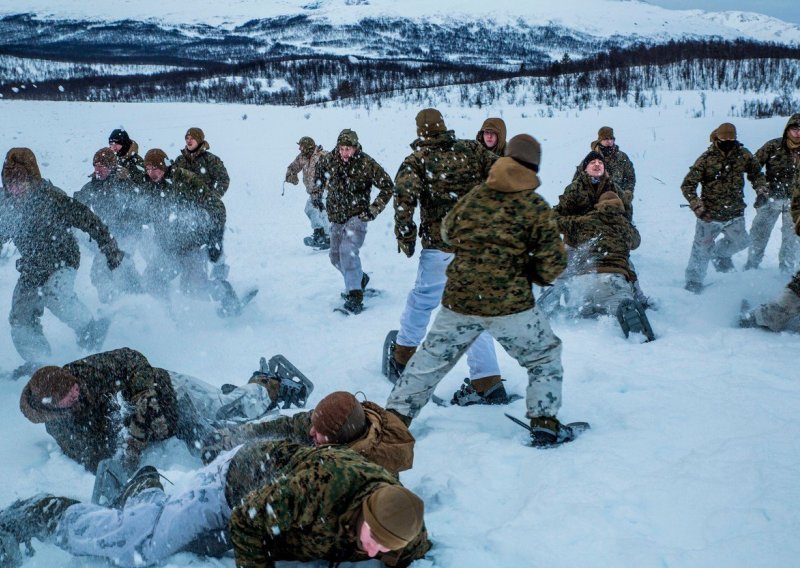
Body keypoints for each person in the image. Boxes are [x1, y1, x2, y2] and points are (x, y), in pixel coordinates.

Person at [387, 134, 579, 447]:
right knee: (544, 356)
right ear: (534, 166)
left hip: (461, 301)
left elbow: (448, 230)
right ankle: (544, 422)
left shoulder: (477, 196)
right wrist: (529, 269)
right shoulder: (535, 207)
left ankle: (391, 424)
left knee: (429, 363)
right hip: (511, 305)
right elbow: (553, 264)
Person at [0, 441, 431, 568]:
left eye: (385, 548)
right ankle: (40, 511)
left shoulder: (401, 521)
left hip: (270, 499)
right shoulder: (316, 489)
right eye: (372, 540)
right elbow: (247, 520)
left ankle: (148, 492)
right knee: (137, 547)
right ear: (364, 512)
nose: (373, 552)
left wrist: (391, 549)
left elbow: (410, 543)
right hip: (232, 486)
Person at [18, 348, 307, 474]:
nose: (77, 391)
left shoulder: (81, 372)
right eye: (70, 396)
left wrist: (144, 393)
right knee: (214, 432)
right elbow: (94, 458)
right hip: (160, 423)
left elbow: (130, 358)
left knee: (223, 407)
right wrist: (129, 446)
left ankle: (269, 385)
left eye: (76, 387)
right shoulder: (61, 429)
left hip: (168, 388)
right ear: (55, 407)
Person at [390, 108, 505, 405]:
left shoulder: (416, 161)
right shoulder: (471, 149)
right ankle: (488, 381)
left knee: (422, 301)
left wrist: (405, 235)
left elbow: (404, 199)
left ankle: (403, 356)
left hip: (440, 248)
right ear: (443, 126)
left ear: (420, 132)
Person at [0, 148, 124, 379]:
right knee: (20, 316)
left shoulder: (52, 198)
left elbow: (87, 218)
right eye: (10, 183)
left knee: (54, 294)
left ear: (32, 179)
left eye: (20, 182)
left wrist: (109, 246)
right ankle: (40, 363)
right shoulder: (4, 204)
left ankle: (90, 330)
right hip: (32, 266)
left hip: (62, 258)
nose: (15, 189)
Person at [201, 390, 415, 474]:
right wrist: (236, 436)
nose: (311, 431)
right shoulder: (336, 422)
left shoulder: (362, 472)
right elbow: (287, 426)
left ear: (338, 441)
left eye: (320, 432)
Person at [140, 149, 244, 316]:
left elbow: (216, 207)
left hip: (192, 247)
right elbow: (145, 212)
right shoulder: (148, 186)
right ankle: (167, 315)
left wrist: (215, 239)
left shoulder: (186, 180)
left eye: (155, 168)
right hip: (167, 249)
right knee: (151, 281)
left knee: (193, 290)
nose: (151, 173)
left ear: (164, 165)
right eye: (148, 169)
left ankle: (225, 293)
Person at [313, 128, 394, 314]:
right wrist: (317, 193)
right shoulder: (330, 159)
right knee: (334, 257)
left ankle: (355, 295)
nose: (344, 153)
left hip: (357, 215)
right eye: (341, 148)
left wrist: (373, 209)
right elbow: (319, 170)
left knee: (347, 251)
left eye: (348, 149)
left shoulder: (366, 163)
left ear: (355, 147)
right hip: (336, 216)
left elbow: (388, 186)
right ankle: (359, 279)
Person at [681, 122, 767, 293]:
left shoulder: (743, 155)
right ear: (717, 138)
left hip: (735, 213)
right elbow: (688, 184)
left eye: (731, 138)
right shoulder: (707, 158)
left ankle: (720, 254)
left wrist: (761, 190)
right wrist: (698, 207)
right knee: (701, 249)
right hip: (709, 215)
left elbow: (756, 173)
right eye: (724, 138)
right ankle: (693, 281)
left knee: (742, 242)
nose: (728, 141)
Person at [73, 148, 146, 302]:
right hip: (108, 235)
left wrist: (127, 223)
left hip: (128, 233)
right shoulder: (93, 186)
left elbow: (140, 206)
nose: (98, 169)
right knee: (103, 271)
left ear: (111, 166)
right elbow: (77, 204)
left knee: (111, 268)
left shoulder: (124, 184)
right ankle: (118, 302)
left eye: (102, 165)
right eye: (95, 165)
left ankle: (132, 301)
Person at [745, 113, 800, 272]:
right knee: (758, 234)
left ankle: (786, 274)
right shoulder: (773, 146)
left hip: (795, 203)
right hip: (770, 199)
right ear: (787, 130)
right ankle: (751, 267)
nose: (797, 132)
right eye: (794, 128)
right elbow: (752, 167)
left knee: (792, 240)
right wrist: (761, 188)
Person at [284, 136, 331, 249]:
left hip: (326, 189)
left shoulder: (322, 155)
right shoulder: (302, 158)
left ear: (309, 146)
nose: (300, 149)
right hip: (313, 191)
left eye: (302, 146)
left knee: (317, 209)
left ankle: (323, 234)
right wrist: (291, 175)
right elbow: (292, 167)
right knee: (315, 210)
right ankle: (324, 235)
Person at [587, 126, 635, 214]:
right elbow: (580, 178)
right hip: (597, 201)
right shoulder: (592, 158)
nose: (609, 142)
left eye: (611, 139)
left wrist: (627, 193)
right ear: (600, 140)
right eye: (606, 139)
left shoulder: (622, 157)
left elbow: (630, 177)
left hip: (618, 199)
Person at [173, 127, 230, 198]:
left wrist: (213, 198)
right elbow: (172, 181)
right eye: (187, 138)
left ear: (199, 140)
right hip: (182, 206)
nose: (189, 141)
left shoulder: (210, 159)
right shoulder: (180, 160)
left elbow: (224, 179)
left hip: (203, 206)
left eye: (192, 138)